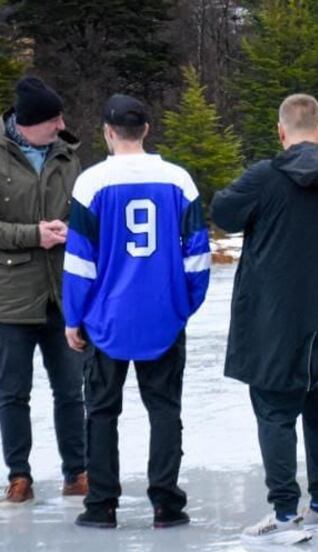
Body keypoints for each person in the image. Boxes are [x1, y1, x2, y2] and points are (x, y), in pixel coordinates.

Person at [211, 94, 318, 542]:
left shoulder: (264, 177)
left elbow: (223, 212)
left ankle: (285, 513)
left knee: (275, 411)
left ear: (281, 131)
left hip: (274, 316)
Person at [63, 94, 210, 527]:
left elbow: (80, 260)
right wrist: (184, 304)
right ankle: (166, 503)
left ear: (108, 132)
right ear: (146, 129)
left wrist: (73, 316)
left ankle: (101, 505)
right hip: (163, 314)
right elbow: (198, 255)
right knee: (164, 409)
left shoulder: (91, 183)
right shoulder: (179, 180)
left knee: (101, 411)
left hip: (105, 318)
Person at [0, 76, 86, 506]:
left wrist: (72, 230)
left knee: (71, 390)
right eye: (54, 119)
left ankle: (78, 472)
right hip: (11, 298)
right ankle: (19, 475)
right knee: (12, 393)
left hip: (63, 295)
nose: (62, 125)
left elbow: (86, 213)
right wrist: (33, 235)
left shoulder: (68, 156)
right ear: (29, 123)